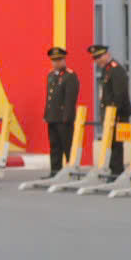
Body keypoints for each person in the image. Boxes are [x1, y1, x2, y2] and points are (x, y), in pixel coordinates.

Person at [90, 43, 131, 176]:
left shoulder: (116, 70)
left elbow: (119, 94)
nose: (97, 61)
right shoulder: (107, 69)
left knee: (117, 144)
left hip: (118, 114)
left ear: (107, 55)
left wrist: (113, 112)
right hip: (110, 113)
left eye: (99, 57)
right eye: (95, 58)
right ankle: (114, 170)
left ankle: (117, 172)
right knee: (112, 143)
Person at [43, 46, 78, 174]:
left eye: (59, 60)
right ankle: (55, 172)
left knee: (67, 146)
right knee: (54, 146)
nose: (56, 63)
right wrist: (46, 114)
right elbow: (49, 97)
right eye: (54, 60)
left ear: (64, 60)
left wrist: (67, 117)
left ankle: (72, 172)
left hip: (64, 118)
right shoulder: (51, 75)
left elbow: (70, 99)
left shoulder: (70, 76)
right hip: (52, 117)